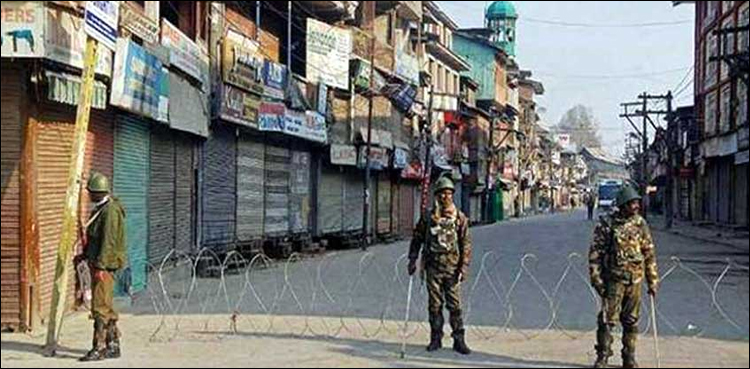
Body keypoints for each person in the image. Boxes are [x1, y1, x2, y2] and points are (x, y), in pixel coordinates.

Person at [588, 185, 660, 368]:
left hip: (635, 281)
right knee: (606, 319)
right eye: (632, 203)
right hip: (614, 280)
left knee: (631, 320)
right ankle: (602, 355)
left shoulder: (640, 224)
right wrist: (597, 281)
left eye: (637, 203)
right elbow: (596, 254)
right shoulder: (607, 224)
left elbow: (648, 253)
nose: (635, 206)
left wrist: (653, 280)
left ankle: (629, 356)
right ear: (622, 204)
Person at [408, 176, 473, 355]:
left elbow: (465, 244)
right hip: (433, 267)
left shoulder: (459, 218)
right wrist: (412, 259)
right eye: (442, 194)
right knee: (434, 305)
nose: (446, 197)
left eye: (449, 193)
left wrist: (463, 267)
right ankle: (435, 338)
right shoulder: (428, 217)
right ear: (436, 196)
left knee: (454, 305)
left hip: (452, 269)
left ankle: (459, 339)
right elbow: (417, 238)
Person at [80, 173, 127, 362]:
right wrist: (84, 255)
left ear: (98, 192)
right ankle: (113, 344)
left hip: (105, 266)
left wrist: (100, 266)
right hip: (100, 263)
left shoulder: (109, 211)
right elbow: (95, 238)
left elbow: (108, 241)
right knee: (106, 305)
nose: (89, 195)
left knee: (99, 307)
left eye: (91, 192)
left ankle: (98, 347)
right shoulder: (101, 209)